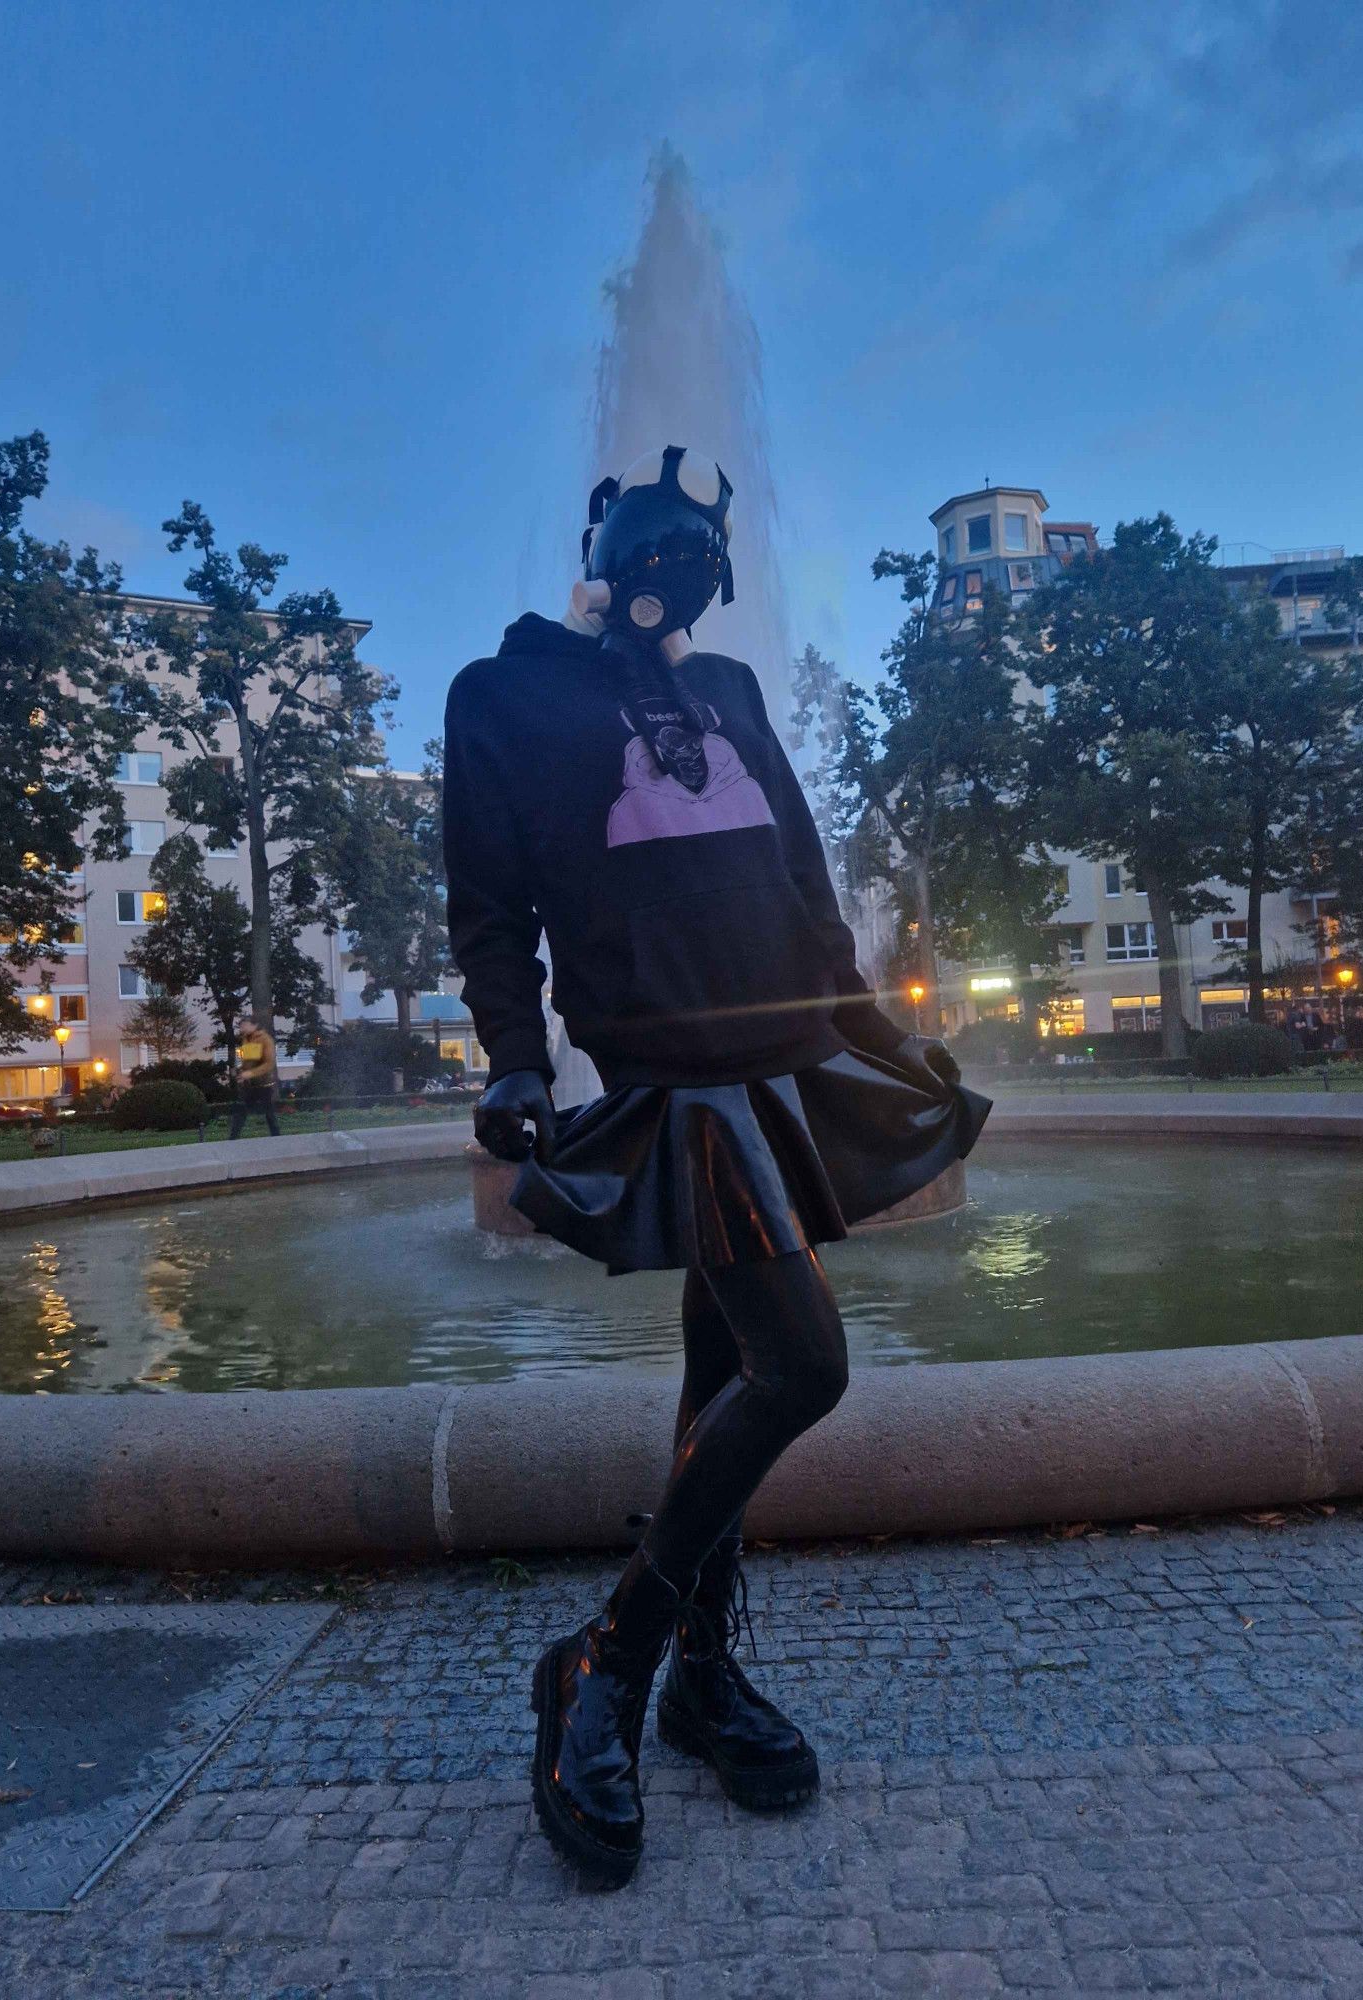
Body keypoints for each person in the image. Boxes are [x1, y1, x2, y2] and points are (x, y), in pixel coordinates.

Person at [442, 445, 991, 1889]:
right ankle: (603, 1662)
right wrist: (511, 1058)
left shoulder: (731, 691)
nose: (675, 585)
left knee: (724, 1376)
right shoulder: (500, 696)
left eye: (699, 568)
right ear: (606, 548)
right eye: (659, 558)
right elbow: (491, 911)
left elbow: (808, 889)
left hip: (786, 1058)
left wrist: (880, 1030)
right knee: (804, 1367)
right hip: (670, 1064)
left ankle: (690, 1676)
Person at [228, 1015, 280, 1139]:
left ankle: (278, 1139)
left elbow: (269, 1063)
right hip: (250, 1085)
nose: (242, 1028)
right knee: (241, 1111)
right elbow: (247, 1060)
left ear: (254, 1025)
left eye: (245, 1025)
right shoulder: (245, 1040)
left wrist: (250, 1073)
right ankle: (232, 1140)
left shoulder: (265, 1040)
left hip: (265, 1084)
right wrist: (240, 1072)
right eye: (241, 1026)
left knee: (269, 1114)